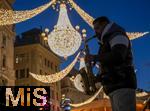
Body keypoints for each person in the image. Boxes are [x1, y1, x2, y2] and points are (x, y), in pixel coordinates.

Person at [86, 16, 137, 111]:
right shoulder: (106, 40)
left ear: (104, 25)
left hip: (122, 84)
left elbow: (118, 56)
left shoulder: (117, 35)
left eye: (97, 28)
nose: (95, 32)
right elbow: (109, 65)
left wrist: (95, 57)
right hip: (114, 86)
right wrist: (98, 78)